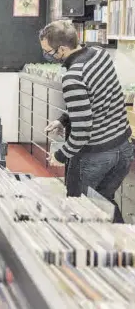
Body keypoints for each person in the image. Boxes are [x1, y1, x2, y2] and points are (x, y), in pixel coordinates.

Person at [41, 20, 133, 223]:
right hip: (123, 150)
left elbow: (82, 131)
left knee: (80, 210)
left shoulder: (73, 76)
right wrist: (64, 120)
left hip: (95, 156)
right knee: (104, 204)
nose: (48, 56)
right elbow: (97, 97)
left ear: (62, 49)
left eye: (49, 52)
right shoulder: (100, 54)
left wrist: (61, 155)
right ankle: (125, 250)